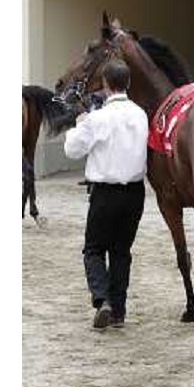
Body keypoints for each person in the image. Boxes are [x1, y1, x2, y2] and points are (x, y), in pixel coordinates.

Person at [64, 60, 148, 329]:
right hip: (135, 192)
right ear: (128, 84)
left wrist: (79, 124)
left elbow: (72, 150)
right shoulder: (141, 114)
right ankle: (119, 313)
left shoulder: (97, 118)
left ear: (105, 85)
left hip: (105, 193)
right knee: (121, 252)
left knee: (94, 249)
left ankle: (102, 301)